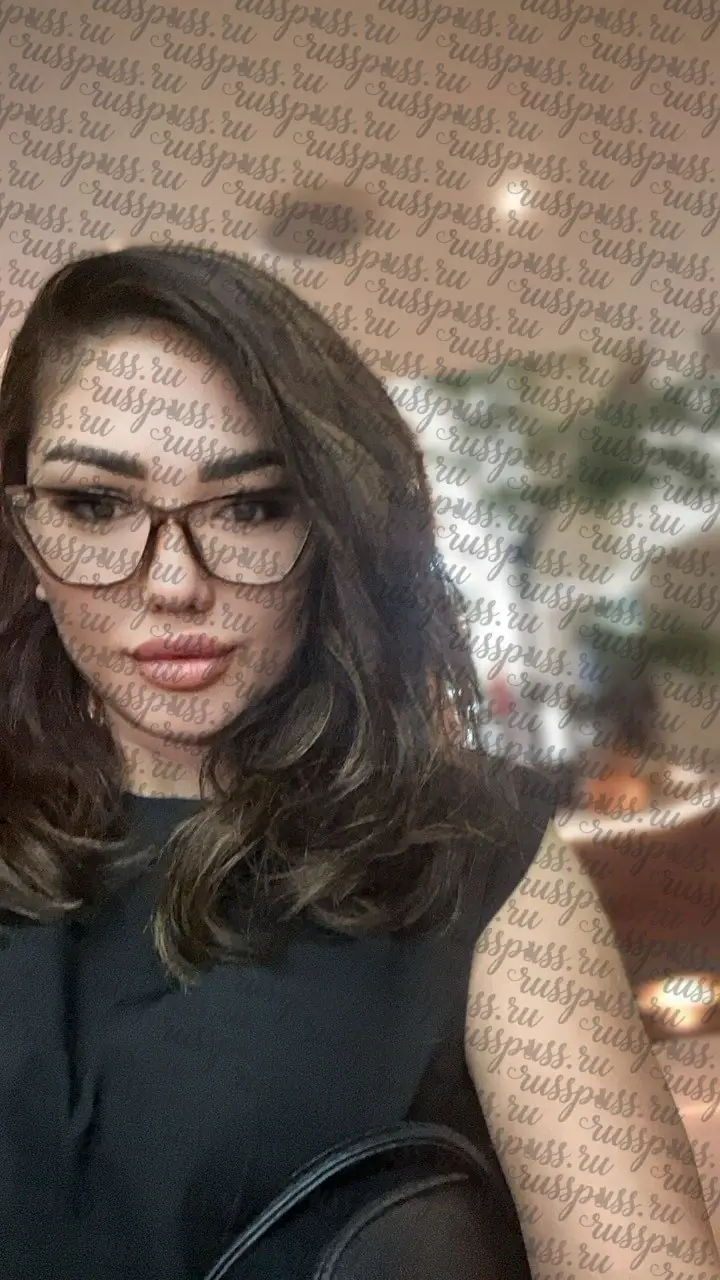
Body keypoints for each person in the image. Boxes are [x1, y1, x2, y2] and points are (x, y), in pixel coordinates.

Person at [0, 244, 716, 1280]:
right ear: (24, 531)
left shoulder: (479, 866)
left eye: (249, 505)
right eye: (95, 505)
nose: (173, 582)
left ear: (329, 524)